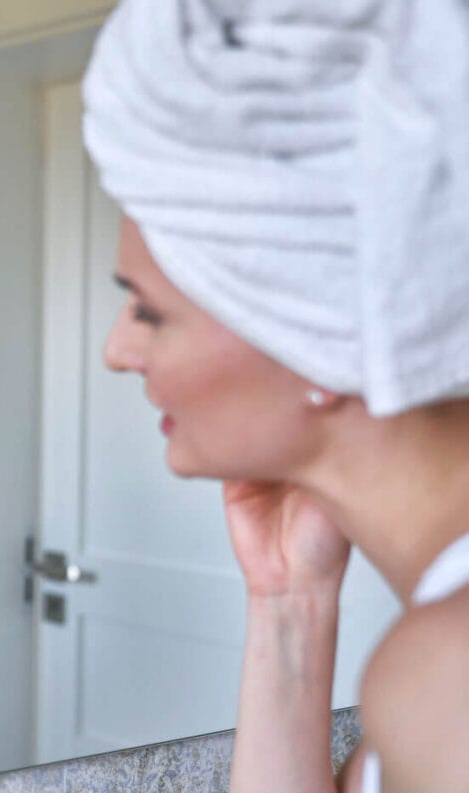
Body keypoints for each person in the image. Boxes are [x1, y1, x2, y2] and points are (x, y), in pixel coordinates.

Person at [82, 1, 469, 792]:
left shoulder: (447, 674)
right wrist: (288, 596)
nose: (117, 352)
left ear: (323, 339)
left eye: (150, 311)